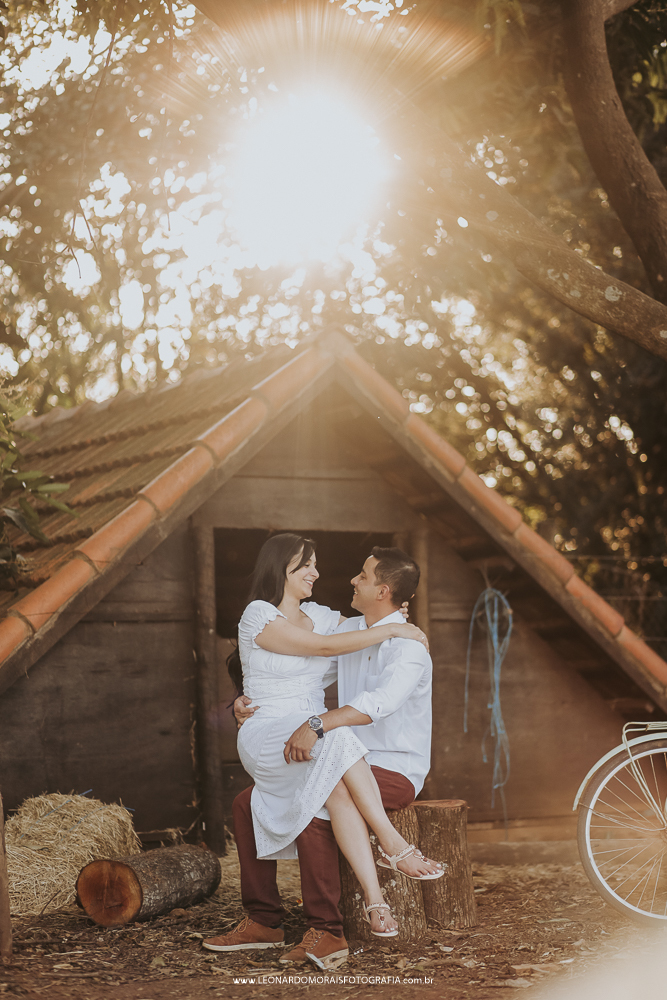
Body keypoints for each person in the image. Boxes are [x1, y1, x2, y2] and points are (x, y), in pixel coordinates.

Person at [202, 534, 442, 967]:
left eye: (362, 576)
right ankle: (264, 920)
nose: (349, 579)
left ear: (382, 591)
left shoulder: (408, 648)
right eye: (306, 565)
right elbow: (307, 659)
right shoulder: (345, 629)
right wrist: (247, 702)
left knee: (316, 805)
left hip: (391, 767)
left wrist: (316, 723)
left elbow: (376, 705)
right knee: (247, 802)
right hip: (327, 748)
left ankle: (328, 930)